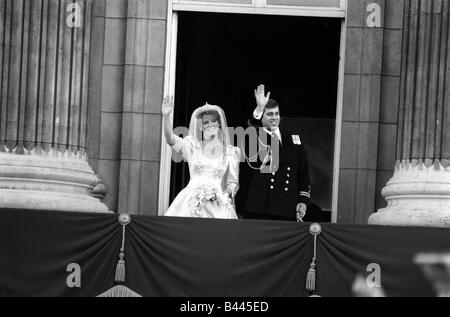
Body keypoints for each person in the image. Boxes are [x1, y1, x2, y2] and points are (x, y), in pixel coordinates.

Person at [162, 96, 241, 219]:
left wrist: (223, 194)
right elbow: (170, 139)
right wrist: (166, 117)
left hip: (217, 205)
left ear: (219, 123)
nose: (211, 124)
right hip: (190, 202)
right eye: (206, 122)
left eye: (214, 121)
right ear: (200, 127)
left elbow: (233, 183)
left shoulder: (231, 152)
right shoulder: (193, 147)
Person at [242, 85, 311, 222]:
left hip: (287, 206)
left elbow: (303, 174)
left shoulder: (293, 139)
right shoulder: (255, 135)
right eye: (269, 114)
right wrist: (259, 109)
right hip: (260, 207)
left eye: (276, 114)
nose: (274, 117)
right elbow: (251, 126)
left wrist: (303, 200)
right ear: (261, 117)